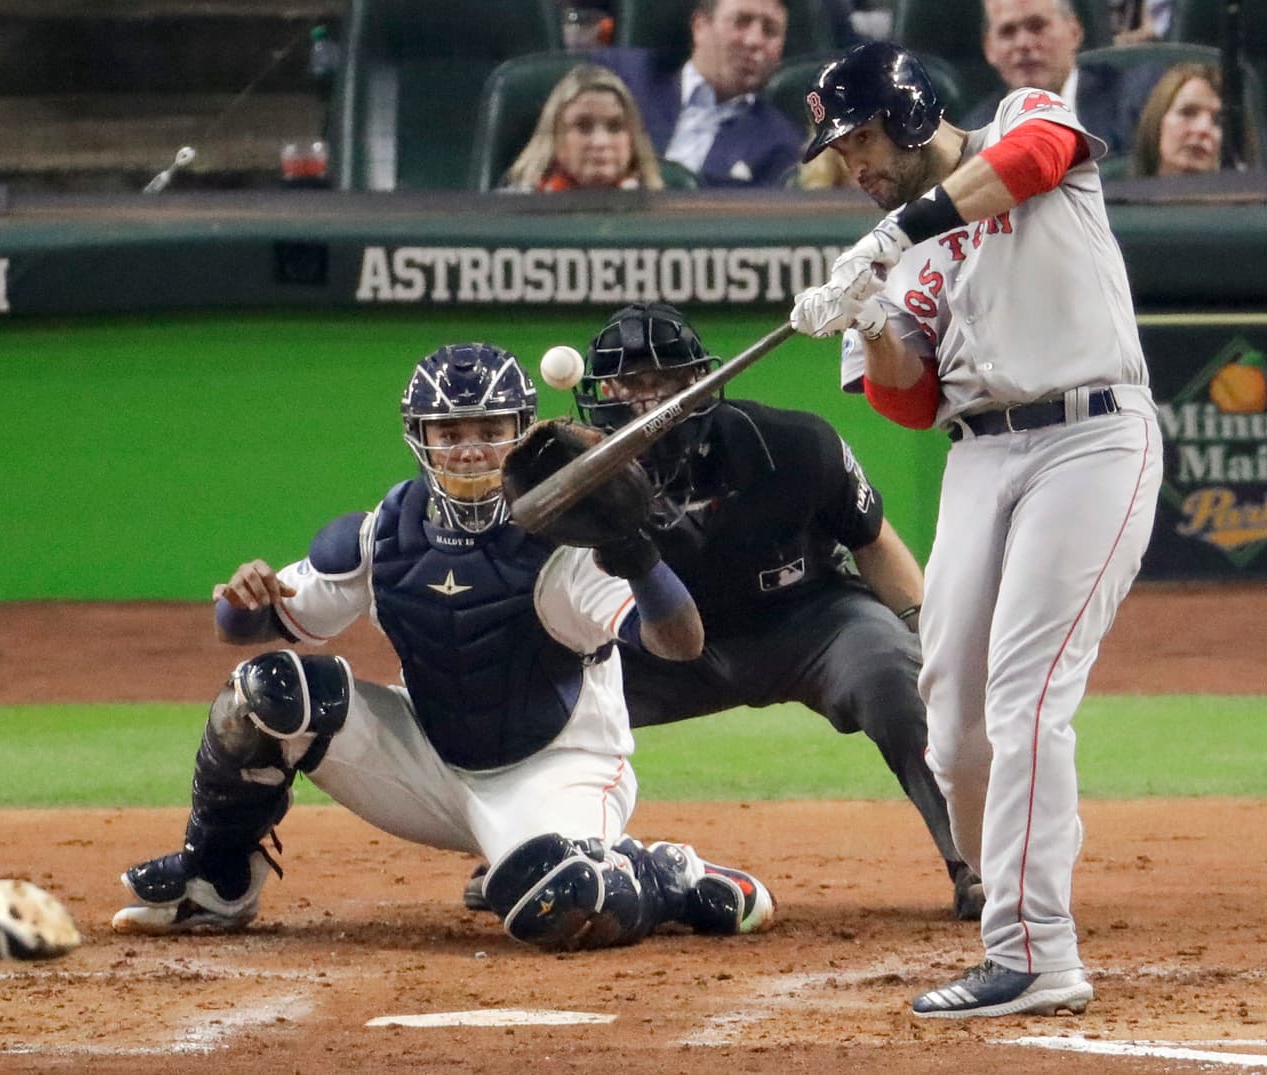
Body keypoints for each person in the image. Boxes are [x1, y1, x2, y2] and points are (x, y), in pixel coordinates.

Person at [111, 343, 775, 952]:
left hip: (556, 769)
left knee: (561, 898)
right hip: (428, 759)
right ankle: (216, 880)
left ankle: (664, 873)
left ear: (522, 432)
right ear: (419, 437)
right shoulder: (387, 532)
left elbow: (681, 641)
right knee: (264, 694)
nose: (469, 450)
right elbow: (244, 629)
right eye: (449, 433)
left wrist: (634, 550)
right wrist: (242, 595)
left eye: (488, 431)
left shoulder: (570, 542)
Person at [791, 40, 1162, 1018]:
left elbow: (1037, 159)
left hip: (1090, 436)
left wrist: (890, 236)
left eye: (862, 137)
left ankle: (1034, 951)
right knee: (948, 717)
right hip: (979, 452)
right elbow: (909, 403)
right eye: (840, 149)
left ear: (911, 115)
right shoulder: (897, 247)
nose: (854, 164)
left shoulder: (1012, 122)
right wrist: (869, 314)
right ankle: (998, 899)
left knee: (1025, 697)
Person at [476, 301, 987, 922]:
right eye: (628, 382)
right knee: (536, 693)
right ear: (599, 394)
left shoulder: (791, 444)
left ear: (700, 383)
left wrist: (925, 640)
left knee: (894, 672)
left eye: (661, 381)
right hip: (660, 650)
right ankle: (534, 850)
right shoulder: (573, 483)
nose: (645, 398)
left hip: (809, 625)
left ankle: (977, 863)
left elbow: (872, 539)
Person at [596, 0, 804, 187]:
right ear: (700, 26)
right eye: (741, 22)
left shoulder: (780, 145)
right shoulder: (623, 77)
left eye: (770, 30)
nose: (754, 41)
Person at [961, 0, 1160, 159]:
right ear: (989, 49)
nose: (1023, 44)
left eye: (1037, 27)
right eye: (1008, 32)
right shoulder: (973, 138)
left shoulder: (1133, 101)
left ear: (1074, 32)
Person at [503, 64, 665, 192]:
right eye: (583, 126)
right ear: (554, 135)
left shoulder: (665, 214)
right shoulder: (512, 212)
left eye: (615, 127)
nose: (600, 142)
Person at [1130, 63, 1258, 176]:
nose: (1202, 128)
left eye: (1219, 121)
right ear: (1157, 123)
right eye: (1188, 112)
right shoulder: (1113, 199)